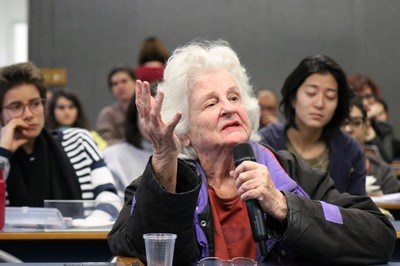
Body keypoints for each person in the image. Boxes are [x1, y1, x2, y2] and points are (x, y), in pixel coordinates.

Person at [107, 40, 395, 265]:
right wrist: (164, 159)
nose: (230, 107)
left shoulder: (287, 173)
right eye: (210, 104)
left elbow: (378, 234)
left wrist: (283, 206)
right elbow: (134, 248)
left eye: (234, 97)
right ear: (184, 130)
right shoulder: (160, 182)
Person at [0, 62, 120, 210]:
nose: (28, 115)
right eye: (16, 107)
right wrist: (3, 153)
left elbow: (110, 198)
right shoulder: (2, 156)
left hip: (79, 232)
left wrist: (82, 228)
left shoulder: (79, 141)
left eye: (35, 104)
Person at [258, 55, 366, 196]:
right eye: (311, 93)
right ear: (292, 98)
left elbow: (358, 211)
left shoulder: (350, 149)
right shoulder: (265, 142)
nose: (319, 103)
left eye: (330, 96)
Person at [342, 97, 398, 195]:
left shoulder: (383, 173)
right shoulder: (321, 170)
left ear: (366, 127)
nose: (348, 129)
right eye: (342, 123)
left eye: (356, 123)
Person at [103, 94, 152, 198]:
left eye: (162, 112)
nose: (155, 122)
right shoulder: (113, 155)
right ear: (135, 117)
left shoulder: (186, 157)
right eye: (147, 114)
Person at [347, 74, 394, 163]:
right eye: (359, 97)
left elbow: (387, 161)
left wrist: (373, 137)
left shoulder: (384, 128)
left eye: (368, 96)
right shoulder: (342, 125)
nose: (365, 102)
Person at [96, 65, 136, 146]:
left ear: (135, 83)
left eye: (124, 81)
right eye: (115, 84)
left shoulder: (146, 109)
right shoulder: (107, 114)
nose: (120, 87)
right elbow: (106, 141)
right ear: (111, 90)